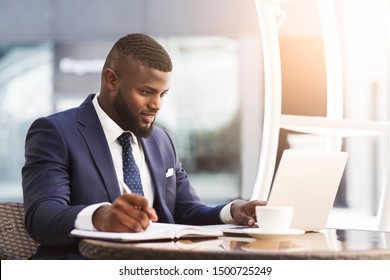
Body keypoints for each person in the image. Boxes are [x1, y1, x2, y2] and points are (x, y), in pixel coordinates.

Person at [22, 33, 266, 259]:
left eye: (163, 94)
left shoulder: (162, 141)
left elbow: (187, 212)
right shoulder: (55, 132)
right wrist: (99, 217)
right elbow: (42, 216)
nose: (157, 104)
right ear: (111, 80)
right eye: (147, 92)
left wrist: (232, 211)